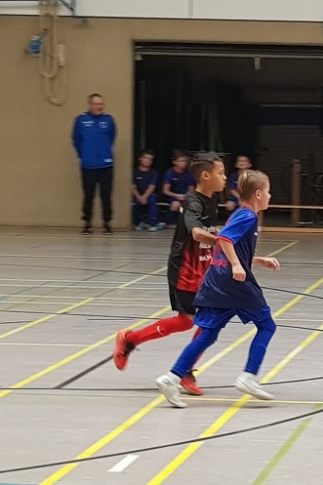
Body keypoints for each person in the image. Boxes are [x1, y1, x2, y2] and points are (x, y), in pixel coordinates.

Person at [155, 169, 280, 409]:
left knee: (208, 333)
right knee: (266, 325)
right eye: (267, 191)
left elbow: (228, 244)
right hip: (233, 283)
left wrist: (257, 260)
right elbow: (224, 240)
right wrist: (237, 265)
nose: (270, 196)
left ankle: (171, 378)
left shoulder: (240, 214)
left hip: (217, 281)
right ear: (257, 194)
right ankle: (249, 376)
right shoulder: (248, 216)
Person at [114, 153, 227, 396]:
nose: (225, 177)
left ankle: (183, 368)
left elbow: (209, 231)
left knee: (205, 321)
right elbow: (197, 233)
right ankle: (131, 341)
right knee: (191, 321)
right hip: (186, 269)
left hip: (204, 267)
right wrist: (226, 241)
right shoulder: (193, 202)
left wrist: (223, 240)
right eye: (221, 172)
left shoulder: (212, 199)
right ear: (205, 176)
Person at [72, 93, 117, 235]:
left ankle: (107, 223)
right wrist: (84, 156)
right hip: (88, 165)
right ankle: (87, 223)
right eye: (97, 104)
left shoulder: (108, 120)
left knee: (106, 195)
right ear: (90, 105)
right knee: (88, 195)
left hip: (106, 165)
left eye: (101, 104)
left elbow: (112, 137)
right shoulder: (81, 120)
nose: (99, 106)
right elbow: (76, 140)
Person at [131, 149, 164, 231]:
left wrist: (144, 197)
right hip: (137, 194)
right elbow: (132, 186)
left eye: (150, 159)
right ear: (140, 158)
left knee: (152, 199)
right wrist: (139, 197)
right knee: (132, 202)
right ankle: (139, 222)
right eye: (145, 158)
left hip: (149, 194)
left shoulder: (153, 172)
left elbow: (152, 186)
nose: (148, 161)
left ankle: (153, 223)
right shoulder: (134, 172)